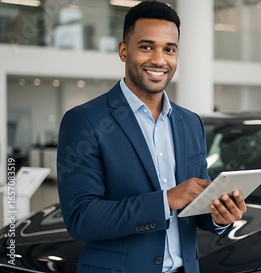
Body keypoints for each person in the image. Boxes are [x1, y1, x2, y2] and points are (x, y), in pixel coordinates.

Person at [56, 1, 247, 273]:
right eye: (146, 47)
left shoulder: (190, 122)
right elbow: (81, 218)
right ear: (124, 51)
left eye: (169, 49)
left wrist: (220, 215)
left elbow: (194, 207)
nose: (159, 60)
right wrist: (165, 200)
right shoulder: (85, 121)